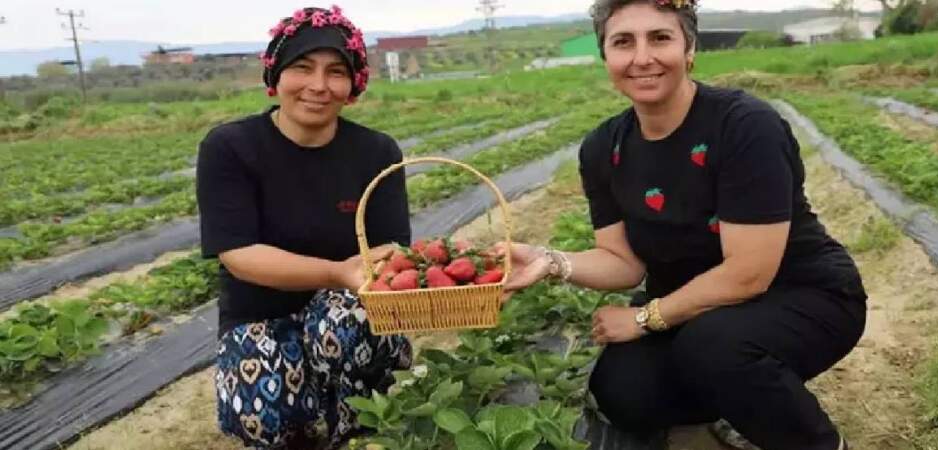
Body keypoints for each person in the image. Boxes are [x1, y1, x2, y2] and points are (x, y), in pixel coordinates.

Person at [499, 1, 866, 449]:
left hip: (800, 294)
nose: (641, 57)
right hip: (690, 309)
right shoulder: (603, 147)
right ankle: (742, 401)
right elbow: (624, 264)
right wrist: (549, 260)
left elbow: (748, 274)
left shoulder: (744, 126)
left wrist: (644, 317)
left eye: (660, 38)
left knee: (715, 348)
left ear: (689, 48)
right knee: (624, 394)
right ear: (606, 57)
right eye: (622, 42)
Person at [195, 6, 412, 449]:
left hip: (348, 312)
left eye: (336, 71)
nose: (318, 86)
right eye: (301, 67)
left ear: (353, 84)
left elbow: (391, 248)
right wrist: (335, 271)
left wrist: (351, 281)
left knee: (343, 323)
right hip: (261, 315)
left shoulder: (376, 152)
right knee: (265, 420)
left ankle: (357, 427)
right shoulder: (231, 148)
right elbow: (238, 254)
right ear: (275, 74)